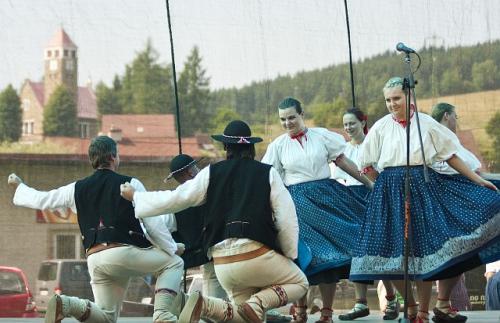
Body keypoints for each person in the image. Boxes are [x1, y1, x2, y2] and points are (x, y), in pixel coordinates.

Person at [121, 120, 309, 323]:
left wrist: (137, 197)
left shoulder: (210, 173)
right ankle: (258, 303)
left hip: (223, 264)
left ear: (226, 147)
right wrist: (288, 254)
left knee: (243, 317)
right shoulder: (267, 173)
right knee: (300, 283)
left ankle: (207, 305)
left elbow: (176, 198)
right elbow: (288, 220)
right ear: (251, 147)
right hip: (256, 254)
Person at [349, 77, 500, 323]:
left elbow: (450, 155)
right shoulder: (381, 127)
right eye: (387, 100)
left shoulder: (426, 124)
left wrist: (477, 180)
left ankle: (424, 311)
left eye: (396, 98)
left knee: (424, 250)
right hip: (390, 191)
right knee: (392, 255)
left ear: (409, 96)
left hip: (422, 186)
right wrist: (384, 186)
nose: (391, 104)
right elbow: (364, 164)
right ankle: (410, 306)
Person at [7, 136, 184, 323]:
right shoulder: (131, 184)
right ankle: (163, 314)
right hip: (123, 253)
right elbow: (152, 223)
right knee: (174, 263)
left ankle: (67, 304)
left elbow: (44, 199)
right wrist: (171, 248)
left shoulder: (76, 188)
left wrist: (20, 188)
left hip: (95, 259)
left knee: (106, 318)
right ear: (113, 157)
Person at [261, 97, 373, 323]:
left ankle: (327, 313)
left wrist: (370, 184)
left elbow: (343, 163)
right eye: (283, 119)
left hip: (327, 199)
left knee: (331, 257)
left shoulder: (321, 136)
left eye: (291, 117)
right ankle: (300, 311)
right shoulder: (278, 146)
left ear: (302, 115)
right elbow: (269, 180)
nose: (287, 123)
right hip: (297, 205)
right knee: (304, 259)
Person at [331, 107, 404, 321]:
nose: (348, 127)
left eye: (352, 123)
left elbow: (380, 172)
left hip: (372, 197)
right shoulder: (341, 151)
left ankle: (390, 298)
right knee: (358, 251)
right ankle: (362, 302)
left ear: (363, 123)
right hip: (348, 201)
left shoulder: (373, 146)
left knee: (377, 248)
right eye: (345, 124)